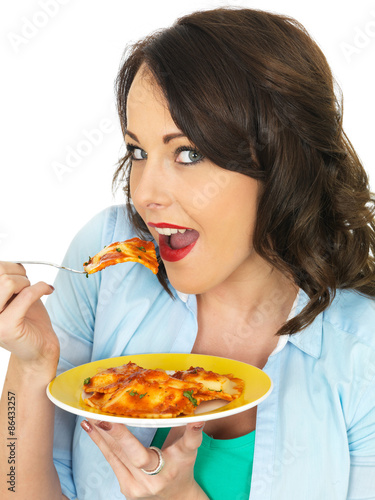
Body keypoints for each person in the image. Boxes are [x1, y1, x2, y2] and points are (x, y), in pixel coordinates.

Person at [1, 6, 375, 500]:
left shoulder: (360, 351)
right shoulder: (107, 260)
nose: (146, 193)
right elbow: (12, 480)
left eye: (189, 153)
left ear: (282, 161)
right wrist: (29, 369)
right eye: (138, 152)